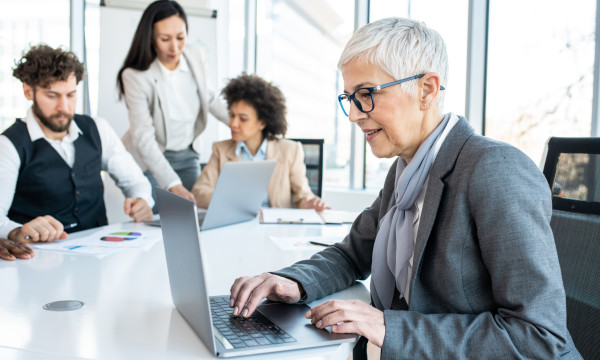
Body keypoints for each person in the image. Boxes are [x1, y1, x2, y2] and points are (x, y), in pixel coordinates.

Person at [228, 18, 581, 359]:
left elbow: (538, 335)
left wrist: (388, 326)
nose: (353, 114)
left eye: (366, 94)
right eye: (349, 97)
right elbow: (352, 254)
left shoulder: (495, 170)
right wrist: (293, 283)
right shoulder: (407, 170)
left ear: (426, 89)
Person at [0, 44, 154, 254]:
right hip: (40, 261)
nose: (64, 107)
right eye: (52, 95)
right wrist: (17, 231)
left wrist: (142, 200)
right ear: (28, 91)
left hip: (99, 256)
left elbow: (137, 183)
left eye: (71, 95)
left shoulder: (97, 128)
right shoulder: (9, 144)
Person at [117, 0, 228, 208]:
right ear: (150, 37)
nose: (174, 47)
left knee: (192, 215)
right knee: (158, 220)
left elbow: (209, 97)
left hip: (187, 155)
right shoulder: (135, 76)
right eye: (165, 39)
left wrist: (240, 122)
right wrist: (172, 184)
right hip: (151, 158)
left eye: (180, 37)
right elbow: (143, 137)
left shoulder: (196, 55)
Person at [191, 73, 327, 211]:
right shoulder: (221, 150)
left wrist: (311, 204)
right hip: (235, 226)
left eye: (243, 119)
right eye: (232, 115)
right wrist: (233, 202)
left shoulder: (290, 151)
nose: (233, 123)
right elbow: (200, 192)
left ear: (262, 122)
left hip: (275, 228)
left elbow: (302, 197)